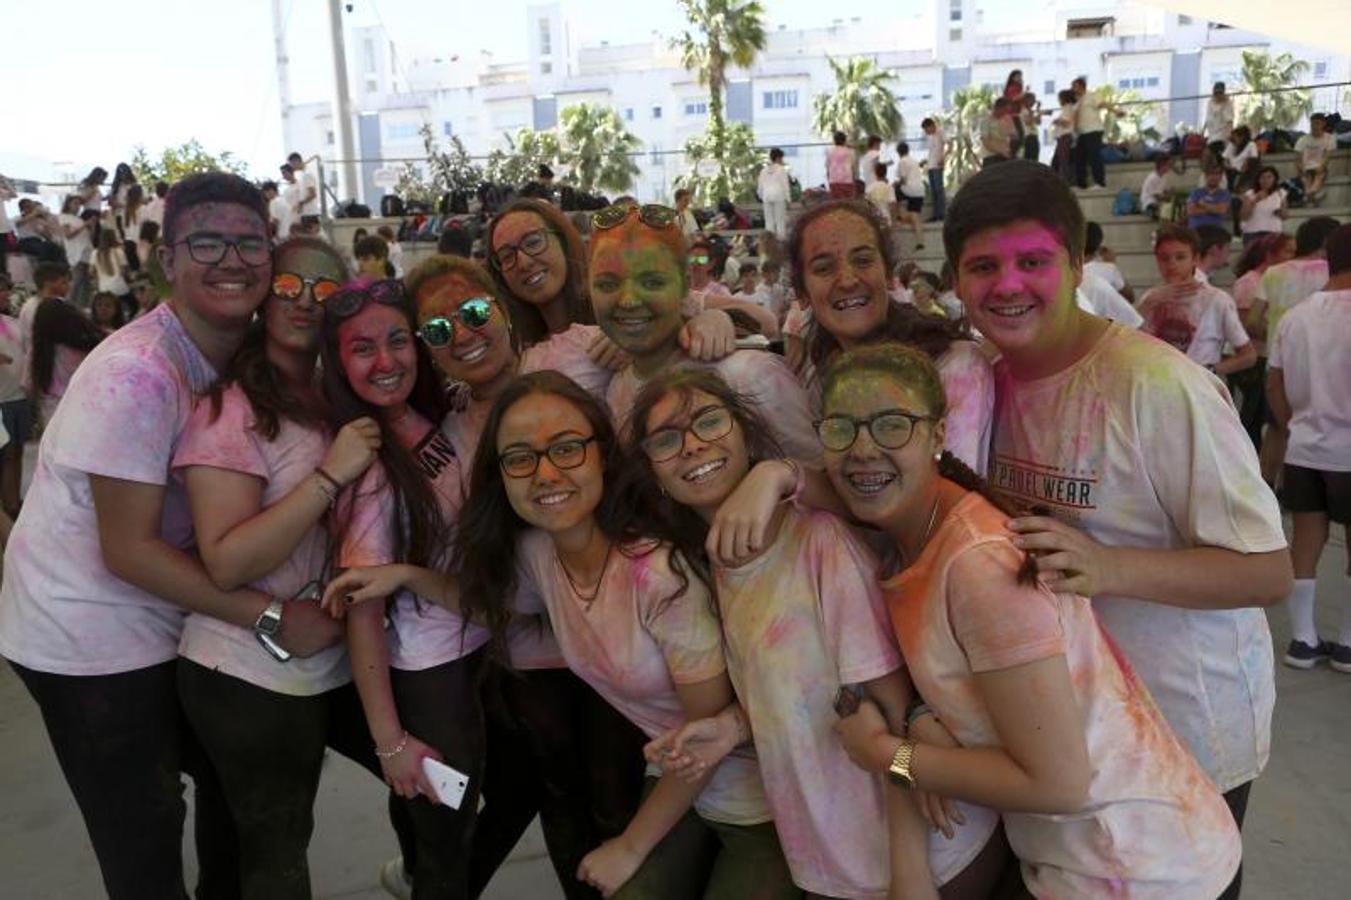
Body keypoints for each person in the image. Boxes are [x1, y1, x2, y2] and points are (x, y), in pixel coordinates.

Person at [944, 161, 1289, 893]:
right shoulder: (979, 382)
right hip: (1080, 741)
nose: (1007, 284)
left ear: (1075, 264)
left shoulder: (1160, 386)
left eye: (1032, 261)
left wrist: (1109, 568)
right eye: (982, 266)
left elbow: (1264, 571)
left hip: (1187, 730)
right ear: (954, 279)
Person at [324, 371, 798, 899]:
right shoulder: (541, 554)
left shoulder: (660, 578)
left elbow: (703, 741)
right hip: (683, 792)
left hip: (764, 801)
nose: (546, 474)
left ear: (602, 456)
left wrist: (631, 847)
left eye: (567, 449)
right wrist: (405, 577)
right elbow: (492, 606)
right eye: (521, 458)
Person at [824, 342, 1244, 899]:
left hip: (1142, 870)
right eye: (841, 428)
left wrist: (889, 757)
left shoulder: (978, 564)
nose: (863, 449)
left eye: (892, 426)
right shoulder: (917, 538)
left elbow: (1059, 784)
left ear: (938, 435)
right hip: (1081, 858)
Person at [0, 172, 316, 900]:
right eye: (206, 241)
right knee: (143, 832)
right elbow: (128, 549)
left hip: (175, 618)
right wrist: (270, 618)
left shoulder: (239, 354)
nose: (231, 260)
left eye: (248, 242)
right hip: (84, 636)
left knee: (234, 799)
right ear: (167, 259)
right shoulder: (138, 373)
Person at [629, 369, 1000, 899]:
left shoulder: (818, 541)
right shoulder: (714, 562)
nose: (691, 445)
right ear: (653, 471)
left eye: (709, 421)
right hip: (830, 862)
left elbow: (893, 716)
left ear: (744, 434)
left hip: (921, 858)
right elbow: (804, 694)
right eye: (666, 438)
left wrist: (910, 875)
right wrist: (732, 730)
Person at [403, 254, 648, 898]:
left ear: (503, 312)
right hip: (536, 660)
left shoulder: (574, 357)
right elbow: (477, 560)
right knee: (562, 801)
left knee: (619, 798)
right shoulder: (448, 441)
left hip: (627, 633)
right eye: (437, 330)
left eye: (475, 312)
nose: (462, 333)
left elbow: (663, 326)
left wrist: (716, 318)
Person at [171, 237, 404, 898]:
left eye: (324, 290)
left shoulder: (340, 394)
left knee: (436, 788)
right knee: (276, 853)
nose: (305, 301)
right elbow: (225, 562)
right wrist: (330, 476)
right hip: (246, 673)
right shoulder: (231, 411)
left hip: (329, 658)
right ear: (263, 294)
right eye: (289, 286)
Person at [320, 276, 483, 898]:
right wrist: (390, 744)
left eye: (397, 341)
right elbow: (362, 606)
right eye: (363, 349)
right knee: (449, 829)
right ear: (338, 362)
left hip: (469, 657)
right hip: (428, 677)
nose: (386, 361)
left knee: (449, 820)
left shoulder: (423, 417)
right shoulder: (367, 464)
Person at [587, 203, 816, 463]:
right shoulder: (615, 389)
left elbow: (818, 479)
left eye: (652, 282)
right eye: (607, 284)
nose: (628, 301)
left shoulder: (750, 375)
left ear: (685, 284)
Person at [789, 200, 994, 474]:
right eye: (824, 268)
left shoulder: (955, 365)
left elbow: (952, 492)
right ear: (801, 293)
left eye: (863, 261)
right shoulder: (818, 375)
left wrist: (792, 477)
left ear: (887, 275)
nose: (848, 280)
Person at [1267, 224, 1351, 673]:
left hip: (1304, 447)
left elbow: (1274, 382)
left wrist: (1291, 425)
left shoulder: (1295, 316)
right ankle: (1348, 644)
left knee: (1306, 538)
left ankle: (1302, 640)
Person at [1259, 215, 1340, 483]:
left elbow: (1252, 318)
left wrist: (1273, 334)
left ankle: (1267, 486)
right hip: (1327, 361)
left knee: (1276, 429)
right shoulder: (1333, 270)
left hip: (1279, 362)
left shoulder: (1273, 273)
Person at [1139, 224, 1255, 374]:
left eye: (1180, 257)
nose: (1172, 264)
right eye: (1164, 258)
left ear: (1195, 259)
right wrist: (1146, 306)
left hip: (1200, 388)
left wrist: (1210, 371)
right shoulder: (1150, 298)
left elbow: (1248, 355)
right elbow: (1130, 345)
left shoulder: (1217, 299)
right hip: (1158, 385)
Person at [0, 274, 31, 520]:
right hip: (1, 398)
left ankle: (15, 499)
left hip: (19, 394)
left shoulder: (13, 321)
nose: (4, 294)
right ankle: (8, 505)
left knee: (18, 450)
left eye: (5, 289)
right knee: (7, 453)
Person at [58, 195, 96, 307]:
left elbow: (90, 237)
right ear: (68, 204)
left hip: (87, 251)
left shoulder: (79, 219)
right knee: (77, 280)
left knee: (86, 282)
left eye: (79, 204)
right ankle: (69, 305)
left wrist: (92, 226)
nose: (78, 206)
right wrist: (85, 225)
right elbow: (68, 235)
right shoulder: (64, 217)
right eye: (75, 203)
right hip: (76, 252)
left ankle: (83, 306)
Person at [1082, 221, 1133, 302]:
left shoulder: (1065, 269)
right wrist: (1112, 264)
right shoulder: (1109, 269)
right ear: (1098, 248)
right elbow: (1130, 298)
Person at [1071, 76, 1108, 188]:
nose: (1073, 89)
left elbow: (1102, 104)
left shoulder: (1092, 95)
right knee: (1079, 158)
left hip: (1093, 130)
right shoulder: (1077, 101)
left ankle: (1100, 182)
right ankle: (1081, 184)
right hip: (1082, 133)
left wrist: (1115, 111)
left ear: (1081, 86)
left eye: (1075, 86)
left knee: (1094, 157)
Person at [1295, 113, 1336, 206]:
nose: (1315, 126)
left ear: (1323, 124)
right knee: (1306, 177)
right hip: (1306, 167)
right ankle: (1312, 196)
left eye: (1318, 123)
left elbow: (1327, 156)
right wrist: (1301, 168)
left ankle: (1308, 195)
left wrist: (1322, 166)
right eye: (1313, 123)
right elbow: (1298, 158)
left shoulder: (1329, 138)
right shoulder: (1302, 140)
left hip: (1320, 167)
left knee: (1319, 175)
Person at [1239, 165, 1286, 244]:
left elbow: (1285, 215)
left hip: (1274, 233)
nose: (1266, 180)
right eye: (1262, 177)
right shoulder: (1250, 193)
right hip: (1252, 233)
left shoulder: (1281, 193)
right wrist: (1255, 200)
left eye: (1269, 177)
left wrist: (1280, 213)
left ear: (1275, 179)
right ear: (1258, 179)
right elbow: (1244, 216)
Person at [894, 142, 927, 249]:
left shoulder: (902, 161)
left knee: (894, 192)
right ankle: (920, 241)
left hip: (909, 190)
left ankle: (898, 216)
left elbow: (903, 180)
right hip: (920, 191)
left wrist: (895, 184)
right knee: (915, 215)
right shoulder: (914, 161)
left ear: (898, 152)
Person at [756, 148, 791, 241]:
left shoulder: (763, 170)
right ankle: (781, 243)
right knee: (780, 222)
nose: (782, 160)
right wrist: (788, 199)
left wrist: (761, 196)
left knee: (769, 222)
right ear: (778, 158)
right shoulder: (781, 169)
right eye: (781, 158)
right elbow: (785, 185)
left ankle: (769, 244)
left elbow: (760, 187)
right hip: (779, 196)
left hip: (766, 196)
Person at [1187, 166, 1232, 232]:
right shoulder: (1196, 192)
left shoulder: (1225, 194)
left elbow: (1222, 210)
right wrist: (1214, 208)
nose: (1213, 177)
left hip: (1215, 232)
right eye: (1211, 174)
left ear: (1220, 177)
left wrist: (1203, 204)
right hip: (1196, 231)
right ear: (1206, 176)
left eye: (1217, 174)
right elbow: (1191, 211)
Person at [91, 227, 130, 303]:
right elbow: (124, 271)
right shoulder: (118, 251)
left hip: (103, 289)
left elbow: (91, 272)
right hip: (120, 288)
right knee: (134, 305)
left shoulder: (95, 253)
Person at [921, 117, 947, 221]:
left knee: (938, 189)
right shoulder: (930, 137)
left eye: (927, 129)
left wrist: (943, 158)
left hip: (937, 165)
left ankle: (942, 213)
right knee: (933, 191)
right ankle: (936, 214)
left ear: (931, 126)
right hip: (930, 165)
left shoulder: (940, 132)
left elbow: (949, 144)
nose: (926, 132)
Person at [1222, 125, 1260, 195]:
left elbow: (1252, 161)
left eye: (1235, 137)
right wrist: (1228, 166)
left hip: (1243, 175)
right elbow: (1225, 159)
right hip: (1230, 172)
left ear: (1242, 137)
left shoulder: (1251, 145)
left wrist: (1242, 169)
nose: (1233, 139)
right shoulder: (1232, 145)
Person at [1204, 82, 1236, 161]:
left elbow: (1229, 121)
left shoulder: (1228, 103)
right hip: (1212, 135)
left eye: (1220, 93)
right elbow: (1208, 119)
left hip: (1222, 136)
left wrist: (1229, 135)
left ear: (1223, 92)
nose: (1218, 95)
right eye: (1216, 93)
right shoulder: (1210, 102)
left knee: (1218, 154)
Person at [1050, 89, 1077, 182]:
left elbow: (1066, 122)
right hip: (1063, 137)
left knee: (1063, 160)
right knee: (1060, 160)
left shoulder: (1067, 108)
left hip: (1065, 136)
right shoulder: (1069, 108)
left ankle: (1065, 180)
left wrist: (1056, 121)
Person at [287, 151, 320, 224]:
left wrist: (300, 203)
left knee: (312, 235)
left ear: (296, 161)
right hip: (305, 213)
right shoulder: (302, 175)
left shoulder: (307, 174)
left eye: (291, 164)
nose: (291, 167)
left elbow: (312, 194)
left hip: (310, 213)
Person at [979, 99, 1014, 167]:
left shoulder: (1006, 120)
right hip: (990, 158)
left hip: (1005, 158)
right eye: (1005, 110)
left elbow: (1012, 136)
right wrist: (1000, 151)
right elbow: (986, 141)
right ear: (998, 107)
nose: (1005, 113)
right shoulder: (986, 121)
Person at [1140, 153, 1173, 219]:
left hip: (1158, 201)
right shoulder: (1153, 177)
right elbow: (1157, 196)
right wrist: (1168, 197)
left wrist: (1169, 191)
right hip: (1149, 203)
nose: (1170, 167)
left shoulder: (1164, 176)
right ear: (1162, 165)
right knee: (1162, 210)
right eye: (1169, 165)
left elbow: (1162, 190)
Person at [826, 131, 856, 199]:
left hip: (833, 181)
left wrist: (829, 179)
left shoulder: (829, 151)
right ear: (845, 140)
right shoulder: (851, 151)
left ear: (834, 140)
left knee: (836, 205)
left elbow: (827, 167)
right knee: (848, 205)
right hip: (847, 181)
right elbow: (853, 167)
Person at [261, 180, 292, 244]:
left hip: (279, 238)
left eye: (266, 192)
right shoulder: (285, 201)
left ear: (271, 191)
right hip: (288, 235)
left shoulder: (273, 202)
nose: (266, 195)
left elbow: (275, 222)